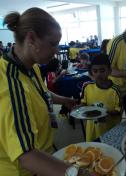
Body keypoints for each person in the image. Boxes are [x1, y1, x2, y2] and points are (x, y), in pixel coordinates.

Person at [0, 7, 90, 176]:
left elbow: (42, 93)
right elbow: (26, 156)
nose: (57, 51)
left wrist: (64, 100)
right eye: (53, 43)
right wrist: (77, 173)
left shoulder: (30, 66)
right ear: (32, 38)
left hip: (42, 153)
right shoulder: (10, 85)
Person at [80, 53, 122, 142]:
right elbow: (83, 103)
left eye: (102, 70)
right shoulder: (87, 87)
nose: (98, 74)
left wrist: (104, 113)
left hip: (110, 130)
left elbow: (119, 111)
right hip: (92, 130)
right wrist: (80, 108)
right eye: (95, 71)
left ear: (109, 71)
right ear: (91, 72)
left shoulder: (116, 90)